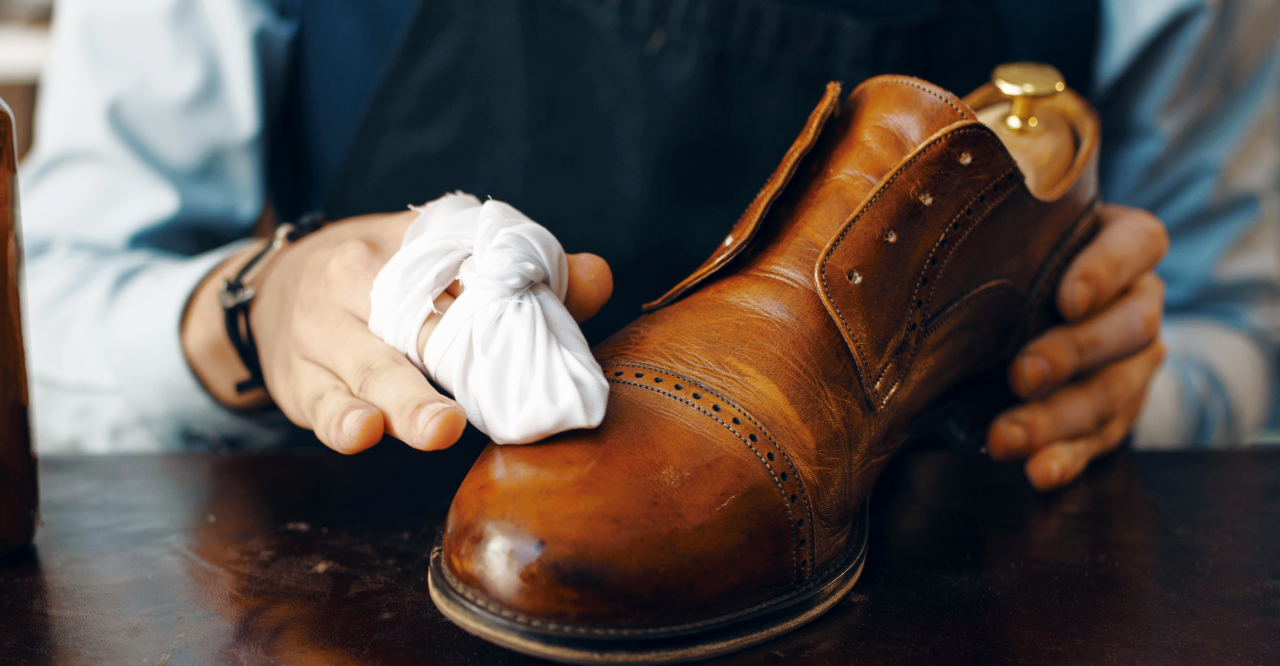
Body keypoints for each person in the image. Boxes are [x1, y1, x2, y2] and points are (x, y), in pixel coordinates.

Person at [18, 0, 1280, 491]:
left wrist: (1125, 382)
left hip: (954, 625)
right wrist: (250, 311)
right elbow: (54, 303)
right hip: (353, 635)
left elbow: (1239, 326)